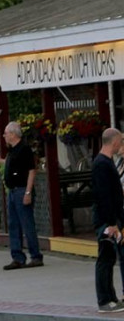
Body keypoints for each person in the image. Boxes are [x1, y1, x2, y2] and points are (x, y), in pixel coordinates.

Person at [0, 121, 43, 270]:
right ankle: (17, 256)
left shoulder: (24, 149)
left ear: (13, 134)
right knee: (14, 224)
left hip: (22, 189)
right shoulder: (13, 150)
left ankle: (35, 256)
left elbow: (31, 170)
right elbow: (13, 164)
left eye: (6, 133)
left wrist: (28, 192)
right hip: (13, 190)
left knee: (27, 223)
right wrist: (1, 161)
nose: (4, 136)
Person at [92, 128, 124, 313]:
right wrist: (111, 223)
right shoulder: (101, 164)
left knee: (110, 257)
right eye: (120, 141)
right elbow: (103, 196)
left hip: (111, 218)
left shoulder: (106, 162)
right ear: (113, 142)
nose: (121, 144)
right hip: (106, 221)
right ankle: (104, 299)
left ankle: (111, 297)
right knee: (105, 258)